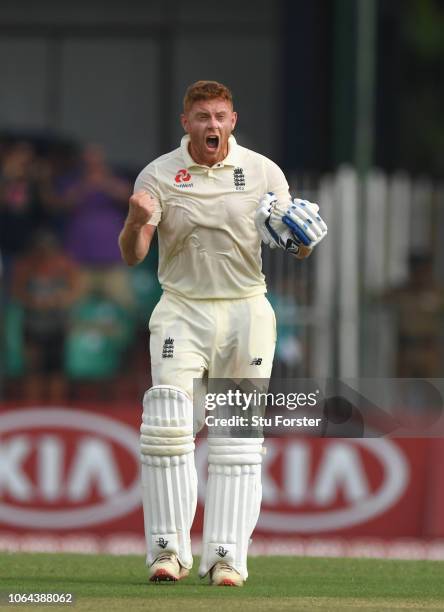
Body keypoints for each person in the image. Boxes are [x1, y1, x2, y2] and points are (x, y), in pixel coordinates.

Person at [119, 80, 327, 587]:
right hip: (181, 309)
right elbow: (133, 254)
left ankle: (226, 559)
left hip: (245, 311)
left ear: (233, 121)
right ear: (185, 122)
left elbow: (292, 243)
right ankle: (168, 551)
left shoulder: (262, 171)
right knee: (168, 421)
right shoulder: (160, 174)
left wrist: (302, 242)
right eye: (202, 117)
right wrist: (135, 218)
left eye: (220, 117)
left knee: (237, 434)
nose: (212, 125)